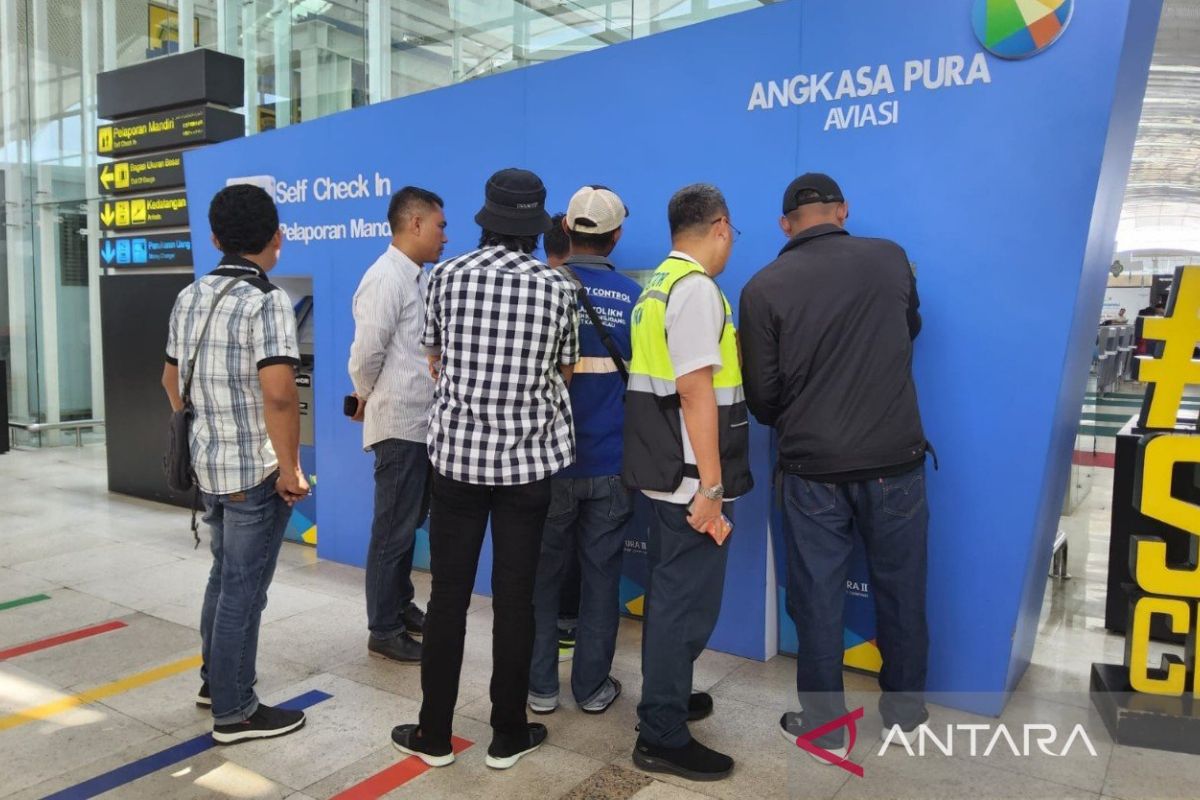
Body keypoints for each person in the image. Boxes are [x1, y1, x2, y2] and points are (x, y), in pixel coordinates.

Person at [390, 168, 579, 771]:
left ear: (487, 219)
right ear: (535, 225)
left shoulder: (443, 275)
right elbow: (564, 373)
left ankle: (434, 734)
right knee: (515, 601)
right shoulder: (558, 289)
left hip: (457, 465)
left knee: (447, 597)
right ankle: (507, 732)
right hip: (528, 467)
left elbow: (435, 358)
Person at [739, 173, 931, 762]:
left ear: (784, 224)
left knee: (817, 597)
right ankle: (903, 714)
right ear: (842, 211)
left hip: (811, 469)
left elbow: (763, 402)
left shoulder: (762, 286)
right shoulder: (891, 259)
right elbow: (909, 331)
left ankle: (823, 721)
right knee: (902, 591)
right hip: (895, 462)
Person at [161, 184, 308, 743]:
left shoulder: (191, 295)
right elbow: (278, 394)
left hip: (208, 469)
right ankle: (236, 710)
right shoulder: (267, 301)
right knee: (244, 592)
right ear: (276, 237)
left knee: (224, 580)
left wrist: (206, 427)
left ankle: (213, 682)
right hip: (253, 474)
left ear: (216, 237)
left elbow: (170, 381)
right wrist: (290, 468)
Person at [622, 183, 752, 781]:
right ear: (720, 226)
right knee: (683, 608)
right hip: (689, 479)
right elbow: (697, 392)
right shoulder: (696, 289)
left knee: (673, 600)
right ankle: (663, 733)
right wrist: (712, 488)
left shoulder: (657, 286)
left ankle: (667, 699)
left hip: (665, 470)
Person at [528, 186, 639, 715]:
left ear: (567, 231)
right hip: (613, 464)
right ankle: (592, 688)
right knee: (600, 580)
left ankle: (540, 687)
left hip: (548, 464)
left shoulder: (540, 293)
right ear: (617, 235)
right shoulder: (636, 300)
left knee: (542, 577)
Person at [348, 187, 448, 663]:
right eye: (440, 225)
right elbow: (366, 352)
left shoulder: (419, 278)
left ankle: (401, 605)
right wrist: (366, 395)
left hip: (423, 424)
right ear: (414, 224)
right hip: (399, 423)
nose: (445, 235)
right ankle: (383, 628)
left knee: (407, 526)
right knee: (392, 529)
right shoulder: (384, 278)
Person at [541, 210, 582, 659]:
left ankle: (549, 628)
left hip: (544, 448)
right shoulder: (568, 293)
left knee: (550, 542)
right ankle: (570, 624)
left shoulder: (531, 293)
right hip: (596, 444)